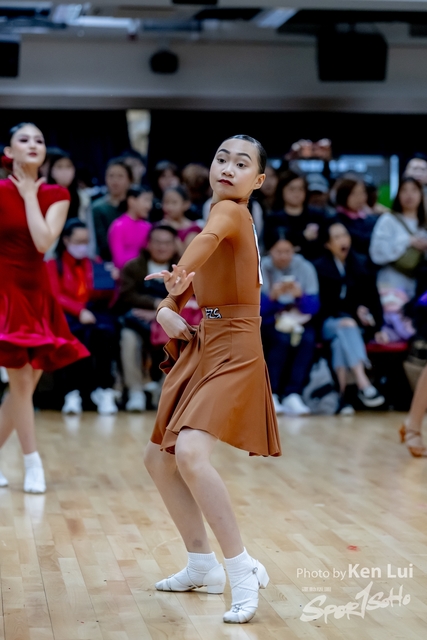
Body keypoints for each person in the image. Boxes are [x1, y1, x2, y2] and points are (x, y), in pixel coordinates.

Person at [143, 135, 280, 624]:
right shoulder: (216, 215)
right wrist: (166, 307)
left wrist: (178, 273)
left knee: (190, 453)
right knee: (158, 460)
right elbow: (189, 281)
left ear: (257, 180)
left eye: (241, 163)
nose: (228, 167)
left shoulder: (231, 213)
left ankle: (242, 570)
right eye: (222, 158)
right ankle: (202, 564)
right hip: (207, 341)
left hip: (236, 346)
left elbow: (200, 250)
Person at [0, 123, 89, 493]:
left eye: (38, 140)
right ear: (9, 151)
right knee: (21, 381)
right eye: (24, 140)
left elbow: (42, 242)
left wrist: (29, 195)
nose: (33, 144)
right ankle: (32, 462)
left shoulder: (57, 194)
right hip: (5, 290)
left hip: (38, 291)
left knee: (23, 388)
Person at [46, 219, 118, 415]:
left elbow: (105, 297)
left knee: (106, 334)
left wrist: (113, 280)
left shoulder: (95, 263)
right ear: (66, 240)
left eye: (86, 241)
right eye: (78, 241)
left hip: (92, 312)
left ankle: (104, 389)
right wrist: (79, 311)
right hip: (67, 315)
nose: (82, 246)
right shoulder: (53, 264)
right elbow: (54, 294)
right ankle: (71, 392)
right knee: (73, 338)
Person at [314, 221, 386, 414]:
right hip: (326, 323)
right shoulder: (319, 267)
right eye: (336, 237)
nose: (343, 240)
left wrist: (377, 327)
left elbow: (374, 299)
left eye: (344, 235)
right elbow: (325, 307)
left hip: (352, 328)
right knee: (346, 324)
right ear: (327, 244)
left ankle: (342, 398)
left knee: (341, 341)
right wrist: (355, 311)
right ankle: (363, 382)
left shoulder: (360, 263)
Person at [116, 224, 180, 412]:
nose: (162, 247)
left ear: (174, 245)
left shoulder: (182, 269)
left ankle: (165, 393)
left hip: (169, 323)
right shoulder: (133, 267)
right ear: (148, 244)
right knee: (128, 338)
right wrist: (155, 304)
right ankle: (135, 391)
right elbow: (127, 295)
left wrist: (160, 312)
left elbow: (190, 299)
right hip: (138, 323)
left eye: (167, 243)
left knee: (179, 341)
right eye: (157, 242)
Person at [261, 229, 320, 416]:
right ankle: (272, 393)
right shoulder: (260, 267)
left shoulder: (305, 268)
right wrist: (272, 298)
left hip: (298, 319)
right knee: (280, 340)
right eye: (279, 252)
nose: (283, 256)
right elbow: (255, 308)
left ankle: (293, 393)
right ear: (270, 251)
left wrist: (300, 296)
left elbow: (314, 307)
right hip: (270, 320)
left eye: (288, 251)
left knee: (308, 339)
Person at [370, 177, 427, 300]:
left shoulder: (424, 223)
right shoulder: (388, 220)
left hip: (418, 283)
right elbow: (376, 254)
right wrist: (408, 241)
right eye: (404, 190)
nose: (409, 195)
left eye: (414, 190)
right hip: (391, 282)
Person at [263, 170, 325, 260]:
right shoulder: (273, 219)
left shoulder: (318, 215)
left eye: (300, 189)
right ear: (282, 190)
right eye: (292, 189)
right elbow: (269, 244)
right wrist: (303, 237)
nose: (296, 193)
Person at [92, 158, 133, 261]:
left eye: (120, 176)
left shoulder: (135, 205)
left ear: (130, 180)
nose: (115, 180)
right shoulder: (97, 207)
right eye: (111, 176)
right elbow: (100, 241)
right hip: (107, 259)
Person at [108, 186, 153, 269]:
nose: (149, 206)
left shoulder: (148, 227)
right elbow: (119, 261)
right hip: (126, 274)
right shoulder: (118, 226)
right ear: (131, 201)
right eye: (146, 200)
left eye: (150, 201)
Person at [335, 178, 377, 256]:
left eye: (362, 192)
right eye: (353, 193)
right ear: (343, 195)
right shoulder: (336, 220)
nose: (359, 198)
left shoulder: (372, 219)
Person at [161, 186, 202, 254]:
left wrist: (171, 231)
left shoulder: (194, 229)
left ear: (186, 204)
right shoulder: (159, 226)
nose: (169, 207)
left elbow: (186, 256)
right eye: (166, 202)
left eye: (174, 202)